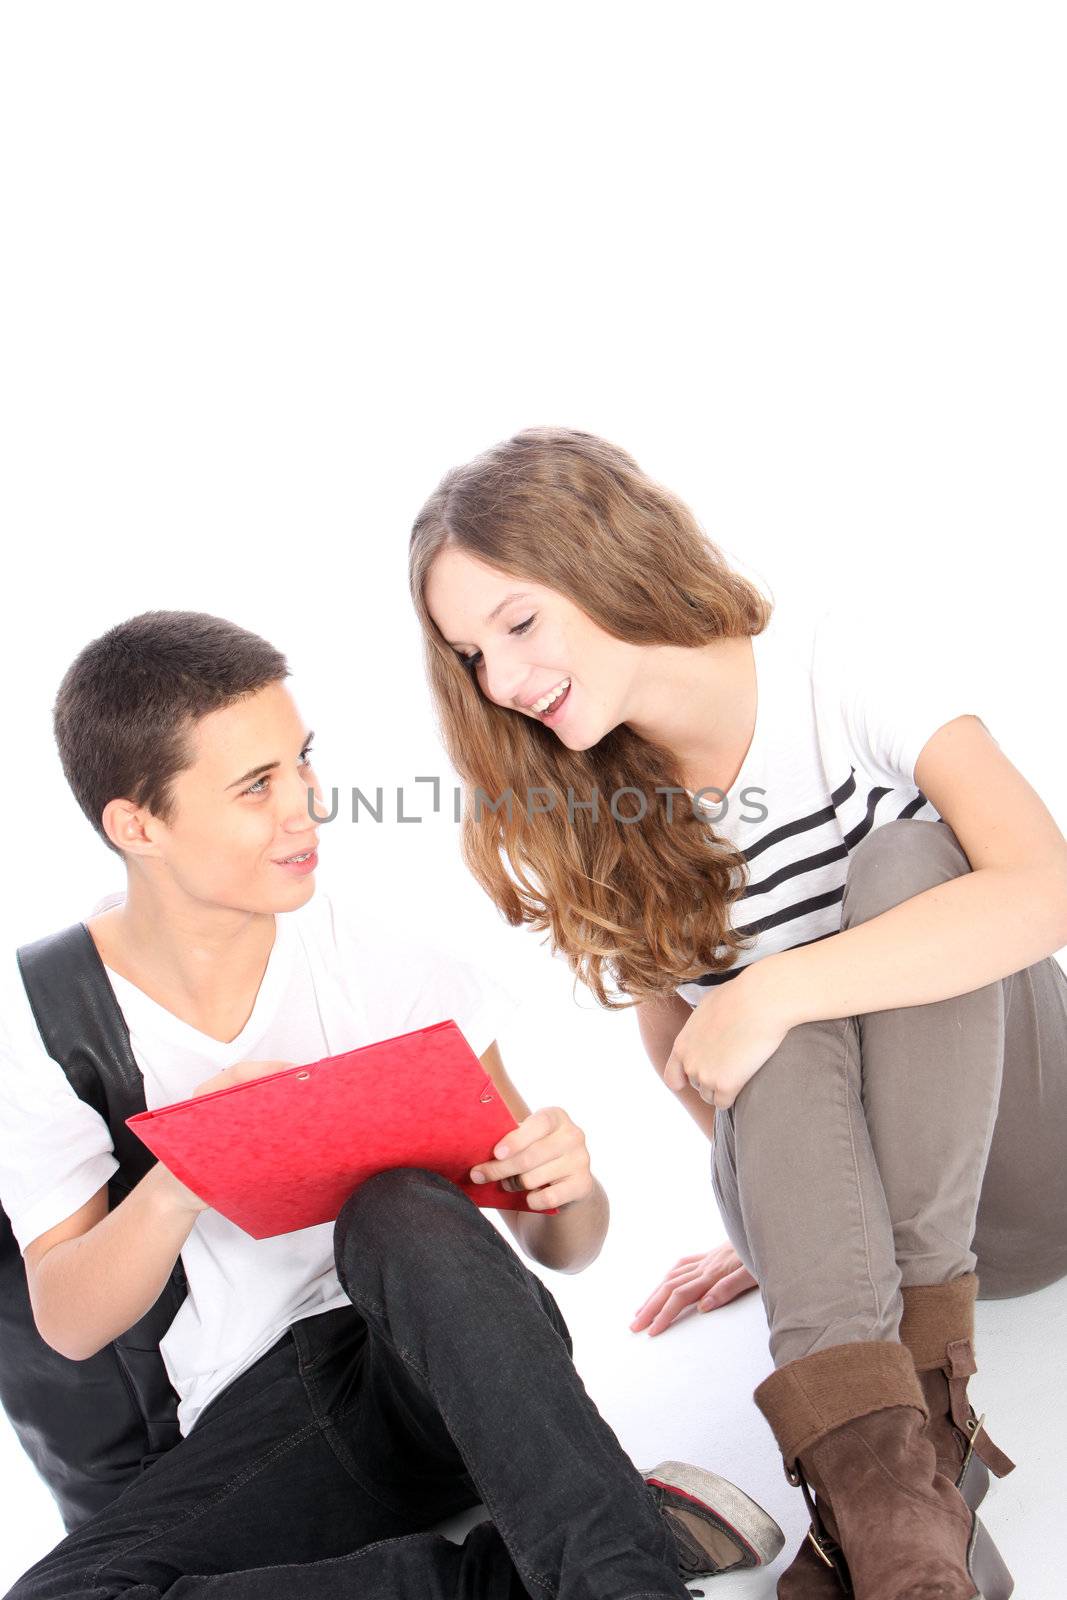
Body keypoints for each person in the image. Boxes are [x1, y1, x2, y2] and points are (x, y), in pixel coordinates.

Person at [0, 610, 786, 1600]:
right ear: (137, 824)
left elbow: (562, 1248)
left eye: (302, 764)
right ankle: (560, 1551)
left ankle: (615, 1579)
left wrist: (565, 1187)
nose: (306, 808)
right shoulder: (39, 1018)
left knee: (398, 1204)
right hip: (272, 1428)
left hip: (454, 1375)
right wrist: (174, 1188)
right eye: (257, 786)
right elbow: (68, 1320)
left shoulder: (378, 959)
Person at [412, 426, 1067, 1599]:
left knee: (908, 872)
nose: (502, 682)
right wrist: (795, 1225)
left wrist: (774, 987)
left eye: (517, 623)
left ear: (606, 555)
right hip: (857, 1276)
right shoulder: (591, 802)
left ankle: (893, 1454)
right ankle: (897, 1508)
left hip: (1027, 1175)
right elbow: (696, 1064)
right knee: (754, 1007)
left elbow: (1040, 888)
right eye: (470, 654)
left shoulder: (834, 661)